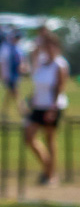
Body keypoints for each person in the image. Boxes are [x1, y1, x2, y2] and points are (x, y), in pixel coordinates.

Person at [25, 28, 68, 186]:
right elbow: (38, 84)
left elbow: (59, 87)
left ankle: (50, 174)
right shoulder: (41, 62)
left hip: (52, 106)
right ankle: (48, 168)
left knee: (49, 139)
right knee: (29, 136)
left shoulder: (60, 65)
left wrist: (53, 108)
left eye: (50, 46)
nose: (48, 49)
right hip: (38, 105)